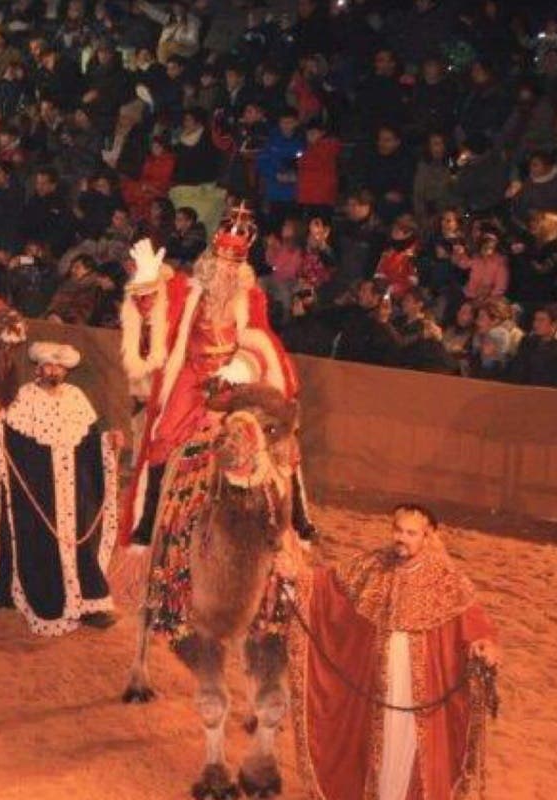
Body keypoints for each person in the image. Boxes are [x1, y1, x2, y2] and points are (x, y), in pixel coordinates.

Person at [121, 205, 312, 552]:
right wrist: (146, 282)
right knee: (164, 435)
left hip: (235, 377)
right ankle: (147, 524)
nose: (226, 269)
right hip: (192, 373)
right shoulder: (186, 288)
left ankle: (298, 518)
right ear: (210, 259)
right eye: (221, 260)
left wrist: (242, 365)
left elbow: (261, 338)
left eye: (234, 263)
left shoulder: (252, 297)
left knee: (276, 433)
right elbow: (153, 314)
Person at [278, 504, 501, 800]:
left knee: (411, 747)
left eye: (411, 533)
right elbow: (330, 587)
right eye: (398, 530)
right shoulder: (374, 565)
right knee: (379, 746)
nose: (402, 538)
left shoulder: (446, 579)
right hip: (378, 687)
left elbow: (472, 621)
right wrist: (297, 577)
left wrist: (483, 644)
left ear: (427, 536)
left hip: (419, 694)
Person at [0, 341, 120, 635]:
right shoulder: (25, 397)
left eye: (59, 366)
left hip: (74, 491)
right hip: (40, 491)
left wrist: (107, 441)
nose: (53, 370)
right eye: (48, 365)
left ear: (66, 370)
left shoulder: (76, 397)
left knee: (80, 543)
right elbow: (12, 438)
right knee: (42, 542)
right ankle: (50, 602)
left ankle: (88, 604)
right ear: (37, 368)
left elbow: (90, 437)